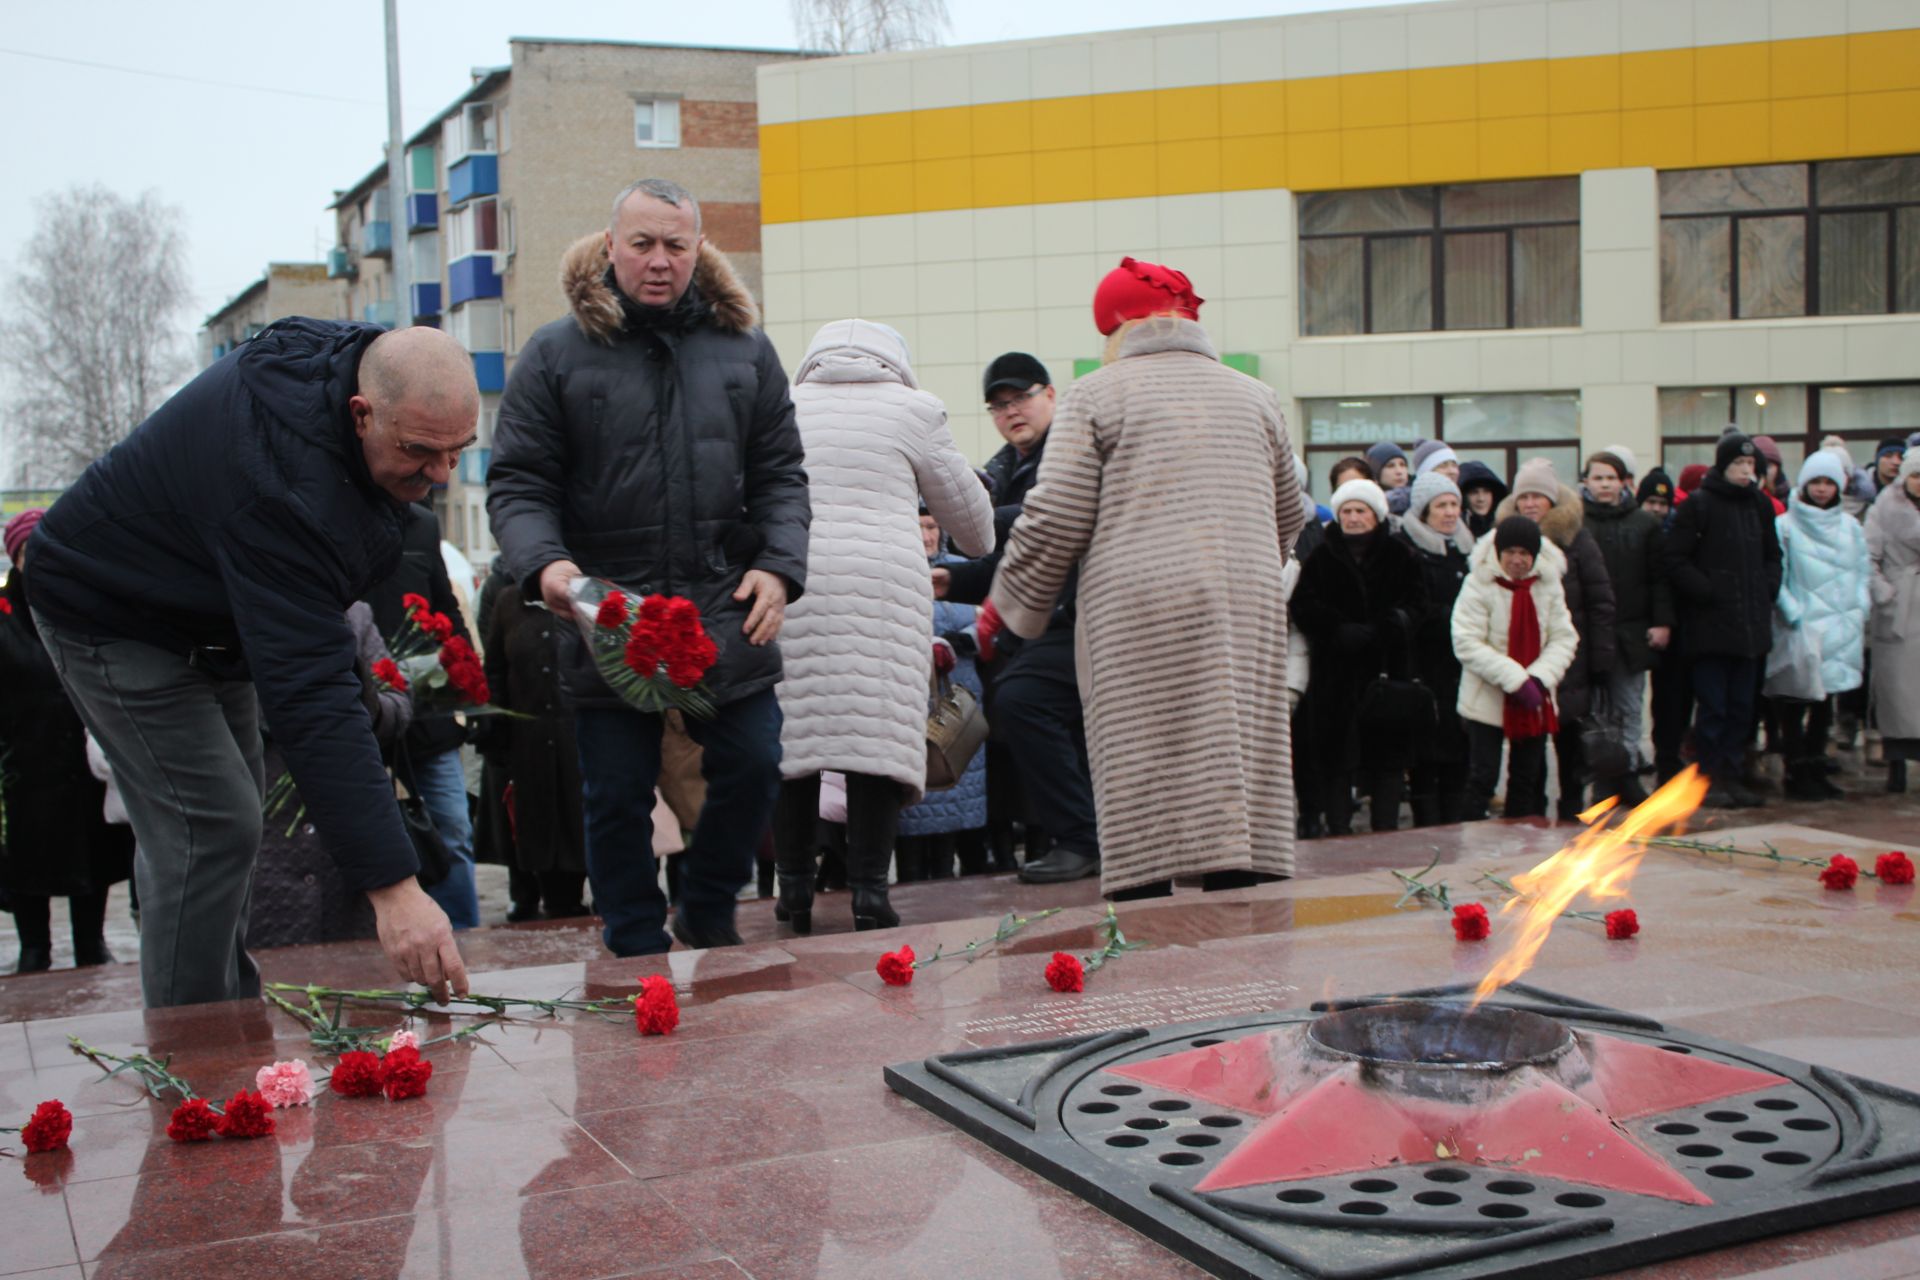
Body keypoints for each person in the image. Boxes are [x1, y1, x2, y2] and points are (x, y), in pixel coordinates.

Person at [27, 320, 476, 1007]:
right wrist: (396, 890)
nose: (440, 477)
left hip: (211, 618)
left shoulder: (348, 368)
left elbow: (319, 646)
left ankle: (224, 1011)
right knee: (209, 823)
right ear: (361, 414)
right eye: (420, 451)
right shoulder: (284, 489)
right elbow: (310, 695)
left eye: (458, 453)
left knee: (232, 822)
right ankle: (194, 1051)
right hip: (109, 613)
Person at [488, 178, 811, 956]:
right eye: (642, 244)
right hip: (607, 606)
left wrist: (778, 566)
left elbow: (780, 475)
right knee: (615, 792)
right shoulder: (555, 352)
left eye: (675, 245)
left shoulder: (745, 349)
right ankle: (633, 939)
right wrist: (547, 568)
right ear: (610, 248)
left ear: (699, 249)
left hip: (720, 601)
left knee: (754, 761)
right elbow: (520, 481)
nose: (659, 261)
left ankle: (706, 906)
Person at [992, 256, 1306, 897]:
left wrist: (1012, 604)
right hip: (1245, 607)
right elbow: (1291, 511)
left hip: (1137, 607)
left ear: (1114, 328)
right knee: (1237, 758)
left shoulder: (1098, 394)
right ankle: (1244, 921)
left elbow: (1055, 513)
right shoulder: (1256, 395)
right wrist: (1241, 566)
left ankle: (1150, 929)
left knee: (1144, 764)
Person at [771, 319, 992, 934]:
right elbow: (975, 532)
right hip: (885, 591)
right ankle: (871, 893)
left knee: (796, 744)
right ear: (895, 361)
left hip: (794, 583)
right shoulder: (915, 410)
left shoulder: (782, 407)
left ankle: (792, 893)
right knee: (877, 745)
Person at [936, 352, 1101, 885]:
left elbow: (1046, 514)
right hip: (1039, 622)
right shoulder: (1005, 470)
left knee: (1024, 700)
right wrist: (953, 580)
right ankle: (1086, 839)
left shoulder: (1070, 455)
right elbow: (1019, 557)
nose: (1011, 412)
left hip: (1085, 618)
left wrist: (973, 518)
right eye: (998, 405)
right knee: (1047, 719)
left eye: (1021, 398)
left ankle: (1080, 840)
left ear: (1050, 395)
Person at [0, 511, 134, 973]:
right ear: (13, 558)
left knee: (89, 862)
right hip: (26, 771)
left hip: (84, 771)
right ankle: (33, 948)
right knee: (26, 868)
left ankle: (90, 943)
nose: (33, 561)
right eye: (24, 552)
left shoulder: (84, 607)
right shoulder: (3, 617)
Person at [248, 603, 408, 949]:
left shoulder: (354, 615)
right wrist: (302, 708)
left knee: (357, 981)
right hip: (265, 842)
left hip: (345, 839)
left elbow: (399, 701)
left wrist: (355, 704)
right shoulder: (234, 611)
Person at [363, 504, 481, 929]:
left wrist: (470, 683)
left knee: (452, 830)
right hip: (358, 710)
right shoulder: (332, 515)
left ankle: (461, 941)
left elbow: (447, 611)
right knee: (365, 837)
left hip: (427, 711)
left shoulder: (422, 524)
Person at [1291, 478, 1427, 834]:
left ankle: (1385, 830)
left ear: (1376, 514)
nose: (1353, 518)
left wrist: (1386, 627)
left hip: (1386, 673)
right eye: (1346, 511)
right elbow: (1303, 605)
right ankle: (1337, 828)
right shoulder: (1321, 556)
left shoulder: (1401, 555)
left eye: (1360, 511)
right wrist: (1336, 628)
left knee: (1387, 760)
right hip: (1335, 676)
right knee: (1337, 759)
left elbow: (1417, 605)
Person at [1664, 431, 1783, 809]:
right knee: (1713, 708)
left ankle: (1732, 775)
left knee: (1741, 708)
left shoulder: (1760, 506)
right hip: (1711, 629)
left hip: (1750, 629)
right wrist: (1708, 591)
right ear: (1723, 466)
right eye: (1738, 464)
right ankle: (1708, 778)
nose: (1745, 471)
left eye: (1750, 465)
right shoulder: (1698, 505)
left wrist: (1767, 588)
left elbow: (1772, 555)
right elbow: (1675, 561)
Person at [1500, 459, 1616, 820]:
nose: (1530, 504)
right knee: (1529, 748)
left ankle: (1570, 813)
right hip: (1526, 662)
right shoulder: (1506, 538)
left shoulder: (1577, 539)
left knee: (1571, 747)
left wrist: (1600, 660)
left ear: (1552, 500)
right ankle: (1532, 818)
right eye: (1524, 497)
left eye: (1538, 496)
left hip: (1571, 660)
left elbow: (1599, 602)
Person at [1453, 516, 1579, 821]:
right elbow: (1466, 641)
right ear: (1498, 552)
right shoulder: (1479, 582)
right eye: (1510, 552)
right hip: (1487, 696)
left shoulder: (1547, 585)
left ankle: (1519, 847)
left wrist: (1537, 678)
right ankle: (1470, 844)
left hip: (1534, 697)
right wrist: (1515, 679)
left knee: (1526, 778)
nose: (1517, 560)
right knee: (1482, 776)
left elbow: (1564, 637)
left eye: (1524, 553)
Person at [479, 580, 591, 920]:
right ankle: (535, 900)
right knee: (533, 831)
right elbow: (496, 670)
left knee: (580, 830)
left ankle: (576, 903)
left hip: (579, 742)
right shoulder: (509, 601)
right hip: (528, 746)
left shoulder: (586, 594)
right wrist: (494, 734)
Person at [897, 510, 991, 879]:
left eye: (932, 526)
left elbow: (991, 619)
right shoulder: (896, 570)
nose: (926, 535)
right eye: (918, 526)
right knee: (916, 803)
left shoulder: (962, 571)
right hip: (911, 696)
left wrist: (964, 637)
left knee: (960, 789)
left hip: (959, 702)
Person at [1772, 451, 1870, 799]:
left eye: (1829, 482)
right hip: (1802, 628)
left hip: (1840, 628)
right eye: (1816, 481)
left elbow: (1862, 570)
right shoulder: (1786, 525)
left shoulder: (1850, 527)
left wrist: (1860, 606)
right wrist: (1792, 612)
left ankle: (1816, 767)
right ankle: (1795, 770)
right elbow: (1777, 576)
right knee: (1796, 703)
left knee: (1824, 706)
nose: (1823, 489)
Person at [1581, 451, 1673, 805]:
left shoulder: (1643, 523)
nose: (1604, 484)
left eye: (1611, 478)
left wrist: (1662, 622)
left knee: (1629, 706)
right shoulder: (1578, 522)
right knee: (1597, 711)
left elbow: (1658, 579)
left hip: (1632, 632)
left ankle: (1629, 772)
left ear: (1624, 482)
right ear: (1586, 481)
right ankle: (1603, 777)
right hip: (1590, 634)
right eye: (1598, 477)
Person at [1393, 471, 1475, 825]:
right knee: (1427, 753)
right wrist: (1458, 620)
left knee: (1460, 748)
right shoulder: (1407, 551)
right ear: (1424, 510)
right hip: (1425, 668)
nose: (1450, 512)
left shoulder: (1468, 550)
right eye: (1441, 505)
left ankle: (1455, 823)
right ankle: (1427, 827)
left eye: (1454, 504)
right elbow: (1416, 608)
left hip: (1462, 669)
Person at [1866, 448, 1920, 793]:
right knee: (1897, 691)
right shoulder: (1883, 508)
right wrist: (1884, 592)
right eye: (1915, 475)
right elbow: (1867, 557)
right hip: (1900, 606)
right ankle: (1896, 764)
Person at [1459, 461, 1508, 540]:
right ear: (1463, 497)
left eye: (1486, 492)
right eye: (1474, 492)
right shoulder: (1454, 531)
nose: (1481, 499)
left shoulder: (1505, 527)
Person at [1368, 441, 1412, 514]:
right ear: (1376, 472)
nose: (1399, 471)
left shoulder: (1420, 500)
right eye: (1390, 466)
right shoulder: (1368, 503)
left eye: (1402, 465)